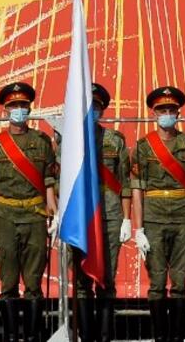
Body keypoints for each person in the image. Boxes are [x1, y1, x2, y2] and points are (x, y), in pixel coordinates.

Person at [0, 82, 58, 342]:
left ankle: (34, 336)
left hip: (35, 215)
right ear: (6, 111)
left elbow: (49, 179)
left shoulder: (41, 140)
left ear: (29, 108)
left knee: (34, 283)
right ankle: (12, 336)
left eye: (23, 106)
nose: (19, 110)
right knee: (8, 283)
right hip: (6, 216)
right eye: (14, 106)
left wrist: (54, 211)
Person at [131, 86, 185, 342]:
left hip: (184, 218)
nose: (167, 114)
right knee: (156, 283)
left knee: (180, 282)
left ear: (178, 113)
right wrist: (138, 228)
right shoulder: (143, 147)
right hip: (153, 218)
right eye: (162, 110)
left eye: (171, 110)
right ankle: (159, 337)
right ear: (154, 114)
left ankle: (177, 337)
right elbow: (137, 190)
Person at [70, 83, 133, 342]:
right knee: (83, 283)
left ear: (103, 110)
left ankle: (104, 337)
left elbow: (125, 184)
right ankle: (87, 336)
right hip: (82, 219)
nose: (92, 111)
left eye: (96, 107)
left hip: (109, 217)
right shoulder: (70, 142)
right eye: (88, 107)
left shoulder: (114, 140)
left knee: (106, 281)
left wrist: (128, 219)